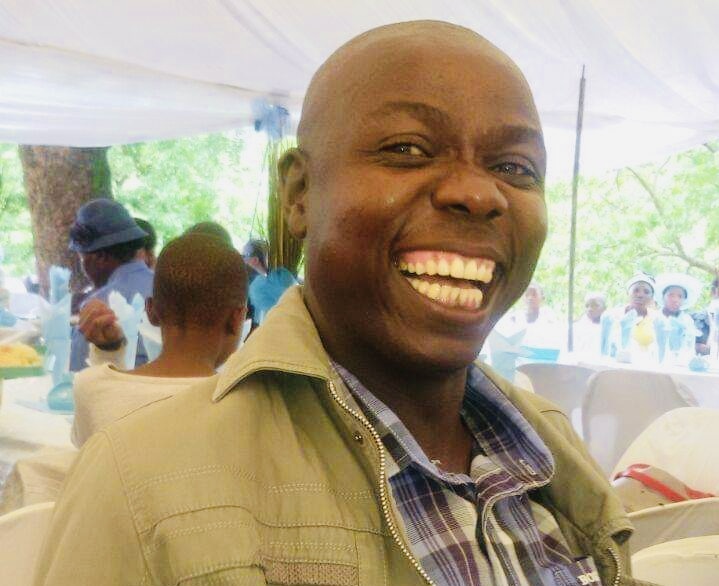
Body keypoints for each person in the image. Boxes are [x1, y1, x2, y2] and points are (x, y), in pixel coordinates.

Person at [35, 22, 640, 586]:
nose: (478, 194)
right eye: (408, 149)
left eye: (514, 166)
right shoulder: (139, 484)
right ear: (300, 194)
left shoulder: (551, 446)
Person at [71, 233, 247, 447]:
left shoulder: (91, 388)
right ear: (237, 319)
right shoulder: (246, 405)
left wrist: (110, 350)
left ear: (151, 311)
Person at [68, 199, 154, 371]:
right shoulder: (172, 289)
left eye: (82, 258)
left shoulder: (97, 310)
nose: (83, 268)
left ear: (100, 257)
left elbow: (77, 376)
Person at [654, 272, 701, 361]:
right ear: (663, 296)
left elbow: (690, 348)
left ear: (684, 300)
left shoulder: (687, 321)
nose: (675, 299)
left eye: (680, 296)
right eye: (671, 295)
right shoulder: (654, 318)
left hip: (680, 364)